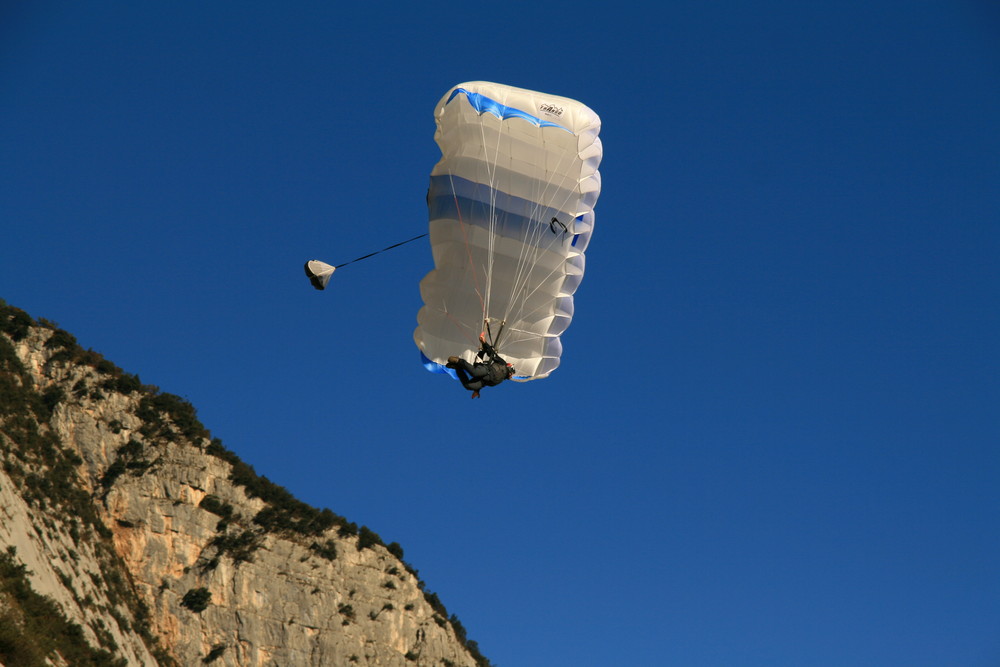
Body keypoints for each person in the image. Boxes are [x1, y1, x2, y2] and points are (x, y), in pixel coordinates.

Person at [446, 334, 515, 398]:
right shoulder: (502, 363)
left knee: (468, 386)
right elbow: (492, 354)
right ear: (510, 368)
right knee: (474, 373)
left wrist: (477, 390)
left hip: (482, 381)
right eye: (512, 373)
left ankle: (457, 367)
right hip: (486, 370)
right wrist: (484, 343)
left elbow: (487, 382)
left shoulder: (500, 380)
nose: (511, 376)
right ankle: (459, 361)